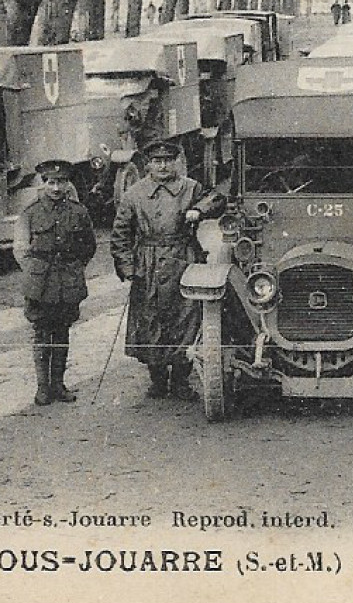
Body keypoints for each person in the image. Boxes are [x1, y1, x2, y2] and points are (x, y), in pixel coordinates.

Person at [111, 139, 224, 399]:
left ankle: (181, 381)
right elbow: (120, 235)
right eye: (157, 161)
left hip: (183, 259)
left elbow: (217, 199)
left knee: (185, 317)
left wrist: (198, 209)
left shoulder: (190, 187)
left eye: (167, 161)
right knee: (150, 319)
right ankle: (158, 380)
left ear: (176, 163)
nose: (162, 166)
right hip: (147, 264)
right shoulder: (135, 194)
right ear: (148, 164)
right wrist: (128, 267)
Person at [13, 160, 98, 406]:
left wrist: (74, 269)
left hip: (67, 281)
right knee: (41, 333)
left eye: (61, 182)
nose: (56, 188)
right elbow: (21, 249)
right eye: (51, 182)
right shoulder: (31, 212)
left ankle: (58, 385)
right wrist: (34, 272)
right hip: (40, 283)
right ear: (44, 184)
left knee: (61, 332)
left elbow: (88, 246)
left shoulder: (78, 212)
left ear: (68, 183)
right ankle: (42, 389)